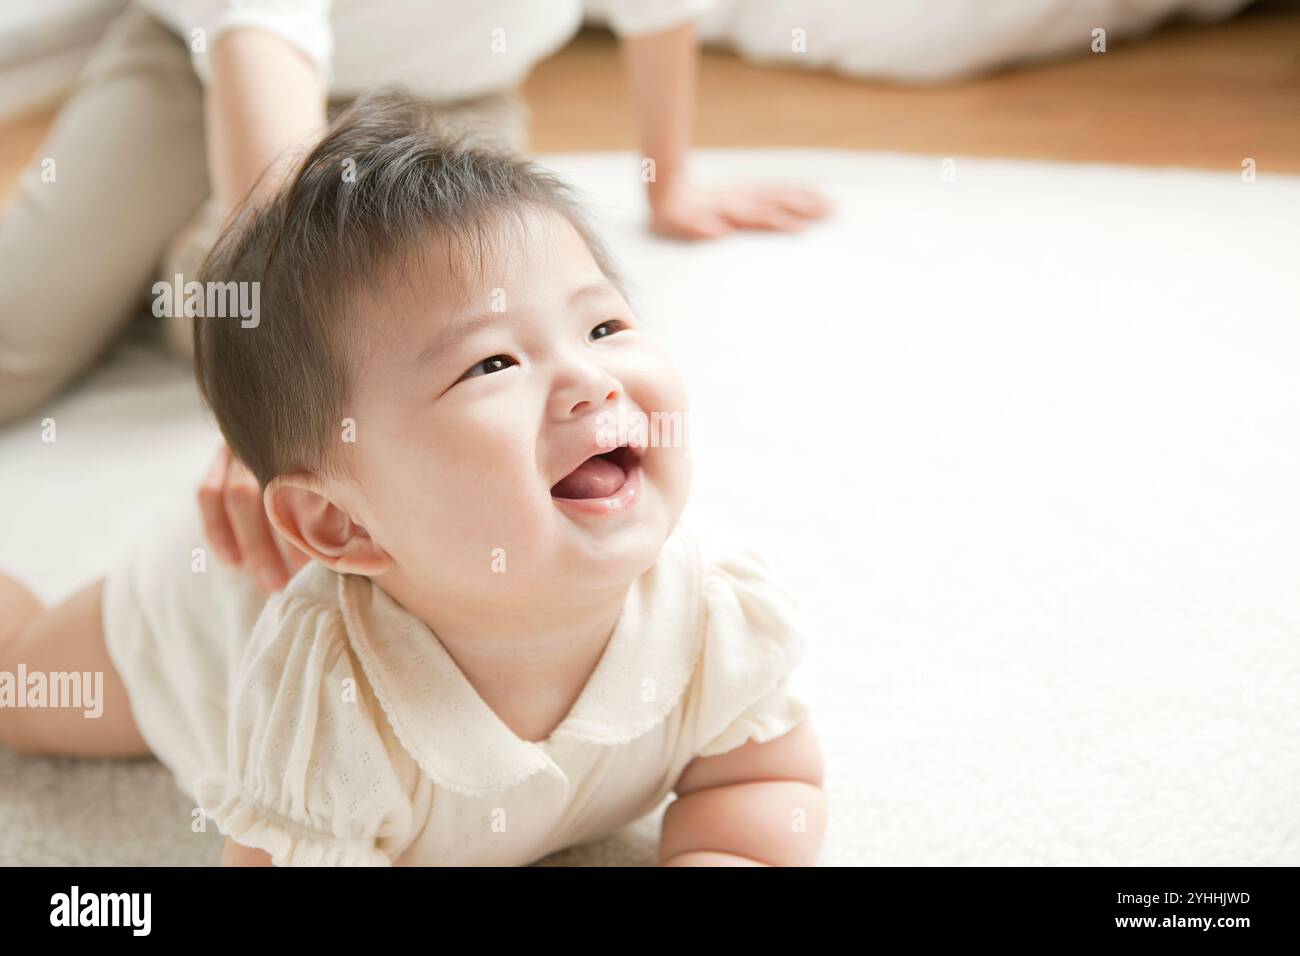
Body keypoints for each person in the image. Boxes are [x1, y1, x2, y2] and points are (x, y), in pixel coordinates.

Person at [0, 93, 825, 866]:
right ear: (340, 524)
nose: (591, 380)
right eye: (492, 363)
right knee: (22, 689)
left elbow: (763, 780)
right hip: (212, 603)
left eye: (603, 324)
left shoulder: (713, 607)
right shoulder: (329, 706)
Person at [0, 0, 831, 591]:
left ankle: (202, 260)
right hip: (208, 68)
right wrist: (273, 401)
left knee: (340, 334)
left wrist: (669, 175)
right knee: (20, 334)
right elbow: (261, 32)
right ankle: (212, 246)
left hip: (445, 102)